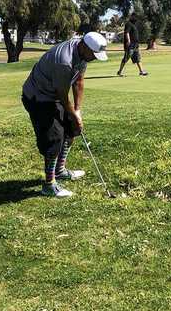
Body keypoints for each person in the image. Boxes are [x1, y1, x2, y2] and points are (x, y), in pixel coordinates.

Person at [22, 32, 108, 198]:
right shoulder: (64, 62)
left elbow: (79, 81)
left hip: (52, 95)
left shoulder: (83, 54)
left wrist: (77, 111)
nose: (95, 58)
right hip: (37, 97)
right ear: (84, 46)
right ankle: (49, 185)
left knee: (72, 129)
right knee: (54, 137)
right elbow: (61, 94)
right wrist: (72, 114)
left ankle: (60, 171)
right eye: (94, 55)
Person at [117, 12, 149, 77]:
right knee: (126, 58)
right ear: (132, 17)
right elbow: (127, 33)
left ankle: (141, 71)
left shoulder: (135, 24)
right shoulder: (128, 24)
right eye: (135, 17)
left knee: (138, 59)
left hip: (135, 45)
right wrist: (128, 41)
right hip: (130, 45)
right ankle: (120, 72)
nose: (136, 18)